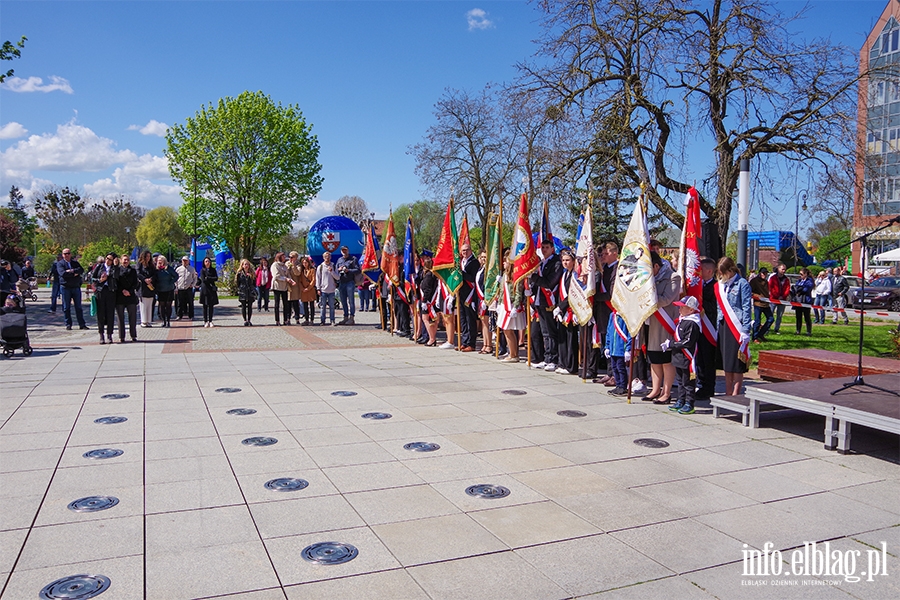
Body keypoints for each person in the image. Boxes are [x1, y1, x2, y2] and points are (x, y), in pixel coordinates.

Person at [645, 251, 681, 404]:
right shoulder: (648, 279)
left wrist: (645, 300)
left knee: (666, 359)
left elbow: (666, 299)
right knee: (654, 358)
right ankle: (655, 389)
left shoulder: (673, 277)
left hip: (666, 323)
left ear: (656, 266)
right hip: (652, 322)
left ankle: (666, 393)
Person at [716, 257, 752, 396]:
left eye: (722, 273)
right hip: (724, 324)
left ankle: (736, 393)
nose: (720, 276)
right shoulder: (722, 284)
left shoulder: (742, 284)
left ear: (730, 270)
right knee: (727, 361)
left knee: (736, 363)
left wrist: (745, 329)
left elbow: (746, 307)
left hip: (737, 325)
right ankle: (728, 391)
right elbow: (720, 306)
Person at [530, 239, 563, 371]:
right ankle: (546, 357)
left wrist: (534, 278)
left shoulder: (556, 263)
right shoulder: (542, 263)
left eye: (546, 247)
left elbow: (549, 283)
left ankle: (552, 359)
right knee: (544, 332)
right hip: (540, 301)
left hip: (550, 302)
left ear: (552, 249)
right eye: (542, 247)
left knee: (550, 332)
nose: (544, 250)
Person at [665, 296, 702, 414]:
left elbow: (688, 341)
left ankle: (689, 403)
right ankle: (681, 400)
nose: (679, 309)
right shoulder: (683, 320)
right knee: (680, 381)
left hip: (687, 357)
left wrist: (671, 344)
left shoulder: (693, 323)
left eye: (682, 307)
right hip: (679, 357)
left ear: (691, 310)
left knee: (688, 382)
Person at [695, 257, 719, 400]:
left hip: (709, 327)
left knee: (708, 359)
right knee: (700, 359)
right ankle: (700, 384)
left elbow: (713, 308)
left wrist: (700, 300)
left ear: (709, 271)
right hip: (699, 326)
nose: (699, 272)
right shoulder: (699, 285)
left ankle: (708, 388)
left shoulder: (715, 287)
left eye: (702, 270)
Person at [496, 253, 526, 363]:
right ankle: (512, 353)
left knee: (508, 330)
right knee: (506, 330)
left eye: (506, 261)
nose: (503, 263)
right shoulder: (504, 275)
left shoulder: (515, 276)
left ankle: (513, 354)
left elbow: (518, 293)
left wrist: (516, 306)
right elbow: (502, 291)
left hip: (511, 305)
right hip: (504, 305)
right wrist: (499, 304)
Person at [553, 249, 579, 375]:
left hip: (571, 311)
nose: (565, 262)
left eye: (568, 260)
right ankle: (563, 363)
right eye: (563, 260)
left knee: (571, 339)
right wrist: (558, 307)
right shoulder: (564, 275)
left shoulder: (576, 275)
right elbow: (560, 293)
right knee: (562, 338)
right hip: (563, 311)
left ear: (574, 261)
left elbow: (572, 295)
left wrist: (561, 307)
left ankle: (571, 366)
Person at [57, 248, 88, 331]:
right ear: (62, 255)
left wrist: (71, 270)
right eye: (65, 253)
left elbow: (81, 270)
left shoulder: (75, 263)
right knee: (66, 307)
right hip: (65, 287)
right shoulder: (60, 264)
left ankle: (82, 324)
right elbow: (62, 274)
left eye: (68, 253)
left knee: (78, 307)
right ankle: (68, 324)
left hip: (75, 287)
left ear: (70, 254)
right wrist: (74, 274)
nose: (67, 255)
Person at [91, 252, 119, 344]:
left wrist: (115, 266)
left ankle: (109, 335)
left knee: (110, 314)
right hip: (100, 291)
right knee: (101, 314)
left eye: (110, 260)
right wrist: (100, 280)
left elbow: (116, 277)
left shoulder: (114, 269)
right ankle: (101, 335)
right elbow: (92, 278)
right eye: (107, 258)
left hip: (110, 292)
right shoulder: (100, 267)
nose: (108, 261)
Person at [458, 243, 480, 352]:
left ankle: (471, 343)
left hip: (470, 295)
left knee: (470, 319)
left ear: (471, 251)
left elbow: (473, 278)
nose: (465, 253)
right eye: (463, 251)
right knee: (463, 319)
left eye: (467, 250)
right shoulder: (461, 262)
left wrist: (461, 273)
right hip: (461, 294)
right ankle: (464, 341)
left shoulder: (474, 262)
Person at [604, 310, 632, 395]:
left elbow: (630, 333)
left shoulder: (627, 316)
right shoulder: (612, 315)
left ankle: (623, 387)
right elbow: (609, 331)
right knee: (614, 368)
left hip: (621, 348)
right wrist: (607, 346)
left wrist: (628, 349)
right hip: (613, 348)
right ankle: (618, 385)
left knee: (621, 368)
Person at [115, 254, 139, 342]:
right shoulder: (117, 270)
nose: (126, 261)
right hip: (120, 296)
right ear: (121, 261)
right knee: (120, 318)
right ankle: (122, 337)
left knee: (132, 317)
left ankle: (133, 335)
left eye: (127, 260)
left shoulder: (133, 271)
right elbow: (116, 282)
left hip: (130, 296)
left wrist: (130, 291)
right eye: (124, 260)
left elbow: (136, 283)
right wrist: (123, 291)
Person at [418, 250, 439, 346]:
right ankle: (432, 338)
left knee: (427, 320)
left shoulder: (428, 276)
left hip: (429, 301)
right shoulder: (433, 274)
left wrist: (424, 301)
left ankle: (432, 338)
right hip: (432, 301)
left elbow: (427, 290)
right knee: (433, 321)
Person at [749, 266, 774, 343]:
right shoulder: (754, 281)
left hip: (766, 304)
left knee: (771, 319)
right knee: (757, 321)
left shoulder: (766, 282)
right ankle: (755, 337)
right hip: (758, 304)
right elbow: (750, 291)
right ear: (760, 273)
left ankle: (761, 334)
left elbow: (767, 292)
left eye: (766, 273)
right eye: (763, 273)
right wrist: (757, 296)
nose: (765, 275)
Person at [336, 246, 360, 325]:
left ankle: (352, 317)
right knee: (343, 301)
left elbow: (358, 270)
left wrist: (348, 270)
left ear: (348, 250)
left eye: (345, 250)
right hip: (342, 282)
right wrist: (339, 269)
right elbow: (336, 270)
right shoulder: (339, 260)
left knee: (351, 301)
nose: (344, 252)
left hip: (350, 282)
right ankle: (345, 317)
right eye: (343, 250)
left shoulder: (353, 259)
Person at [475, 250, 493, 354]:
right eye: (482, 257)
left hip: (485, 299)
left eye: (485, 257)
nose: (483, 259)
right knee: (483, 323)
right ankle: (485, 344)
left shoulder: (489, 270)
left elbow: (487, 286)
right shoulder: (480, 269)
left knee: (487, 323)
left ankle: (489, 345)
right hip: (480, 299)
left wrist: (485, 299)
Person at [315, 251, 339, 326]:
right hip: (323, 290)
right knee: (323, 307)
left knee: (332, 306)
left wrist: (332, 272)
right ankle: (322, 321)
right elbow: (318, 278)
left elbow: (337, 277)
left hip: (331, 290)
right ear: (323, 257)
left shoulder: (333, 266)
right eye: (325, 257)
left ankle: (332, 320)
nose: (327, 258)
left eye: (328, 256)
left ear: (330, 257)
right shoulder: (320, 267)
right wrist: (318, 288)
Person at [767, 263, 791, 334]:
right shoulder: (773, 278)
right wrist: (777, 296)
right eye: (782, 269)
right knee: (770, 314)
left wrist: (783, 296)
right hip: (773, 299)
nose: (784, 271)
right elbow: (770, 288)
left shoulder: (786, 279)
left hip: (782, 300)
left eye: (785, 269)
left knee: (779, 315)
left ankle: (776, 329)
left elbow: (787, 289)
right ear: (778, 269)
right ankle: (767, 328)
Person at [154, 255, 177, 327]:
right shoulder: (156, 270)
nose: (160, 261)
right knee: (161, 305)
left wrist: (171, 282)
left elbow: (176, 276)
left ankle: (168, 321)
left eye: (161, 260)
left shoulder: (169, 268)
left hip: (169, 289)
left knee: (168, 305)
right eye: (158, 260)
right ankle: (163, 321)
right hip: (160, 289)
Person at [270, 252, 292, 326]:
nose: (284, 257)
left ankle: (285, 320)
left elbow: (288, 274)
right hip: (277, 286)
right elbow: (276, 276)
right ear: (279, 257)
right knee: (277, 304)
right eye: (283, 256)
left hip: (284, 287)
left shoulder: (284, 266)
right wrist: (285, 279)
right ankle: (277, 320)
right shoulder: (275, 265)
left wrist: (291, 280)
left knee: (285, 304)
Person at [136, 250, 156, 328]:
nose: (148, 258)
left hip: (150, 286)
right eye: (146, 256)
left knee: (150, 304)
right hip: (143, 286)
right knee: (143, 304)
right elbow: (138, 273)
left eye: (149, 256)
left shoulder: (151, 265)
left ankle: (148, 321)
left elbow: (155, 274)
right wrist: (145, 279)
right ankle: (143, 321)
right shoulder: (140, 264)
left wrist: (151, 279)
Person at [197, 257, 219, 327]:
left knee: (211, 306)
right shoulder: (202, 270)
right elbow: (203, 280)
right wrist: (210, 279)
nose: (207, 263)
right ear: (204, 262)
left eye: (208, 261)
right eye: (206, 261)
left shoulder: (213, 270)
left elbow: (216, 278)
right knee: (205, 306)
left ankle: (211, 320)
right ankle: (205, 321)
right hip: (205, 289)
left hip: (211, 290)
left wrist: (208, 278)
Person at [175, 256, 198, 320]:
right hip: (180, 288)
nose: (184, 262)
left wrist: (193, 285)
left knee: (190, 302)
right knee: (180, 303)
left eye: (186, 261)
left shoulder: (192, 269)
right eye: (183, 260)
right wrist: (176, 288)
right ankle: (179, 315)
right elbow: (175, 279)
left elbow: (195, 278)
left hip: (188, 288)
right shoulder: (178, 269)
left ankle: (191, 316)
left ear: (188, 261)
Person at [793, 267, 814, 336]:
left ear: (805, 274)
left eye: (801, 274)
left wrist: (800, 290)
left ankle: (808, 331)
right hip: (798, 301)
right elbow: (795, 287)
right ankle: (798, 330)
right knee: (798, 317)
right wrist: (797, 290)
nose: (800, 275)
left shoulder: (809, 281)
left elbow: (807, 289)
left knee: (807, 317)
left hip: (806, 301)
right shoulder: (799, 281)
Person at [236, 259, 257, 326]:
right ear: (242, 265)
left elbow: (254, 283)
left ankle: (249, 320)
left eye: (247, 264)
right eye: (245, 264)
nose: (246, 266)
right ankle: (245, 320)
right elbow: (238, 283)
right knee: (244, 306)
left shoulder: (252, 273)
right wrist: (240, 289)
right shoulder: (239, 274)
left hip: (250, 291)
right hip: (243, 291)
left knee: (250, 306)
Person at [299, 255, 317, 325]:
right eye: (303, 263)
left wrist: (308, 288)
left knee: (312, 305)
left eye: (306, 262)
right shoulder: (301, 271)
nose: (304, 264)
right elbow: (299, 281)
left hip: (310, 289)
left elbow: (313, 280)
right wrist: (302, 288)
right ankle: (306, 319)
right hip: (303, 290)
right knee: (305, 305)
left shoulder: (312, 270)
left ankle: (312, 319)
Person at [286, 251, 304, 325]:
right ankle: (288, 318)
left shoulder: (298, 264)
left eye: (292, 257)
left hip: (295, 287)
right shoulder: (286, 263)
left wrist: (293, 266)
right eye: (290, 257)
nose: (290, 258)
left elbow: (298, 273)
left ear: (296, 257)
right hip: (288, 286)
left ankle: (297, 318)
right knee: (288, 304)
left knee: (295, 304)